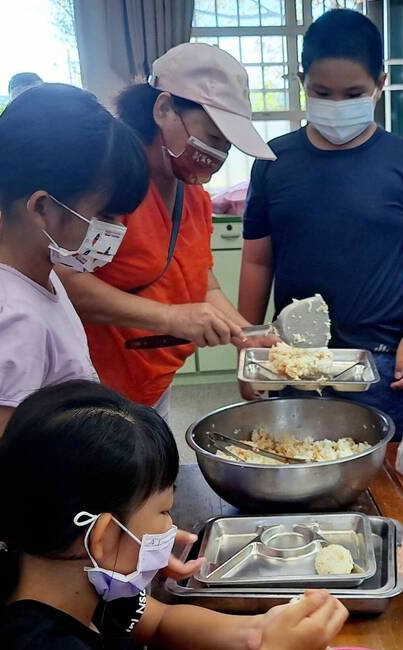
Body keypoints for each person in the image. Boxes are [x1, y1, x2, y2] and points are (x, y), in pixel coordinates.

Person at [0, 380, 349, 650]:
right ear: (104, 537)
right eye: (163, 512)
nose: (169, 528)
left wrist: (261, 630)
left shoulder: (81, 585)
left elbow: (158, 621)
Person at [0, 84, 149, 586]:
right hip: (26, 575)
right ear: (43, 207)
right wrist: (99, 526)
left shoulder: (34, 277)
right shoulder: (9, 315)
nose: (116, 231)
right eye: (105, 216)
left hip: (59, 547)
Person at [238, 9, 403, 439]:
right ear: (302, 83)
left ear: (380, 85)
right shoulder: (273, 162)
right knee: (294, 462)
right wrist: (248, 346)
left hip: (383, 357)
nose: (336, 105)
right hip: (291, 356)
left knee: (383, 482)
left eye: (353, 92)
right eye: (322, 92)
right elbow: (258, 261)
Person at [58, 43, 276, 422]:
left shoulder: (193, 196)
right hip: (92, 392)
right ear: (163, 109)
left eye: (226, 144)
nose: (216, 152)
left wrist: (245, 335)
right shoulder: (107, 186)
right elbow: (63, 281)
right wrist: (170, 318)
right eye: (211, 135)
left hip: (154, 381)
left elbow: (202, 283)